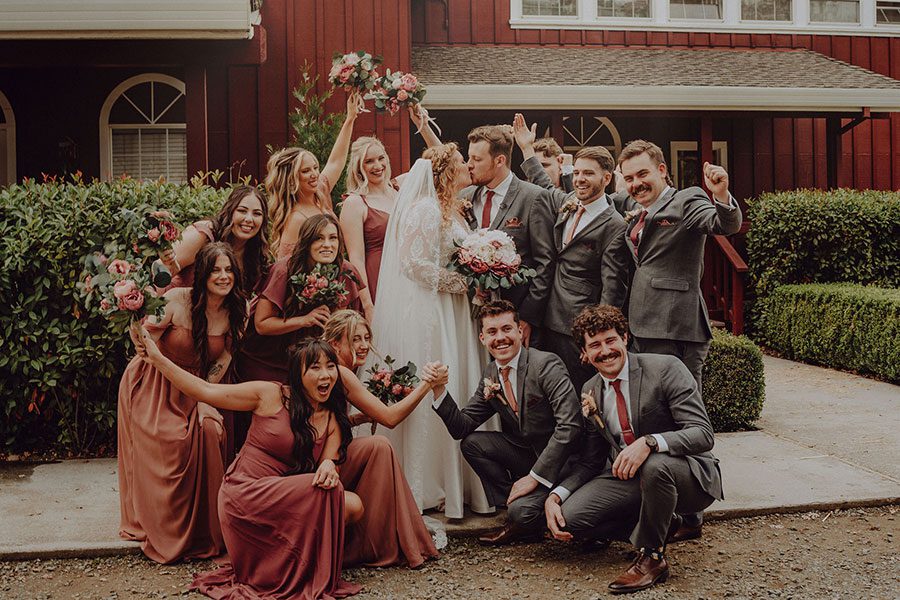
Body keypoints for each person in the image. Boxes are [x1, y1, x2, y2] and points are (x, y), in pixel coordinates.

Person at [134, 330, 362, 599]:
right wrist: (158, 359)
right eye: (315, 368)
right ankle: (287, 567)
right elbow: (205, 390)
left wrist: (327, 466)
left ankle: (296, 564)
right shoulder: (270, 395)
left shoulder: (331, 419)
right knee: (332, 496)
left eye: (330, 367)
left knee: (352, 505)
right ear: (297, 375)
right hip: (244, 493)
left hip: (281, 493)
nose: (325, 375)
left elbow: (329, 461)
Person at [543, 304, 722, 594]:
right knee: (571, 519)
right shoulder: (590, 390)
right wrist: (556, 495)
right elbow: (591, 461)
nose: (605, 351)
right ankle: (663, 521)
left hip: (687, 476)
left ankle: (652, 557)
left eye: (611, 340)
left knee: (655, 464)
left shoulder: (665, 368)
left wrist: (650, 442)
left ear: (625, 338)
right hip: (634, 480)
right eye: (595, 345)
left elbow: (703, 434)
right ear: (585, 354)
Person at [368, 143, 493, 518]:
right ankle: (427, 484)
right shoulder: (423, 210)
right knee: (439, 378)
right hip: (433, 310)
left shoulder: (453, 210)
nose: (467, 166)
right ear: (444, 171)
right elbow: (413, 264)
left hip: (455, 310)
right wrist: (463, 283)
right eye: (460, 162)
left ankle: (462, 482)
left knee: (460, 381)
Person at [118, 242, 247, 563]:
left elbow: (224, 360)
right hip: (153, 381)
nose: (223, 276)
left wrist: (205, 397)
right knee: (173, 437)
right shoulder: (177, 300)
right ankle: (162, 523)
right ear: (203, 273)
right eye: (216, 269)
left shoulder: (235, 310)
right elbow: (146, 347)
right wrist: (139, 331)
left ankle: (208, 528)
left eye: (228, 270)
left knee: (210, 429)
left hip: (196, 386)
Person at [429, 300, 582, 545]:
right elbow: (462, 427)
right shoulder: (491, 374)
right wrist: (438, 388)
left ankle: (528, 512)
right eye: (492, 332)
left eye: (506, 329)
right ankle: (517, 511)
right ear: (482, 338)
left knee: (525, 510)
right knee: (472, 444)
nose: (500, 338)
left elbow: (570, 426)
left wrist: (535, 476)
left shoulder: (546, 365)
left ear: (520, 331)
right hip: (527, 453)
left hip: (564, 462)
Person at [514, 114, 630, 391]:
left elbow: (613, 289)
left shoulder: (614, 226)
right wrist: (526, 149)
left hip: (576, 327)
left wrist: (595, 339)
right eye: (576, 172)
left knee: (579, 395)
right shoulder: (567, 201)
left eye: (588, 173)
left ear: (606, 178)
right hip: (546, 317)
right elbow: (543, 184)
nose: (579, 179)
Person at [321, 309, 443, 567]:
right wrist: (426, 385)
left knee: (378, 446)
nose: (364, 345)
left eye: (367, 338)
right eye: (355, 339)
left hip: (327, 448)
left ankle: (381, 537)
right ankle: (376, 541)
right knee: (380, 445)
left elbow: (327, 419)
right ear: (335, 343)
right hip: (322, 458)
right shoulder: (342, 373)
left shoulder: (332, 368)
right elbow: (390, 418)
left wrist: (358, 419)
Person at [237, 213, 372, 385]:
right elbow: (262, 324)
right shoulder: (284, 270)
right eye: (319, 239)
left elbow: (348, 326)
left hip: (316, 361)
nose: (328, 245)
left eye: (333, 238)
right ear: (307, 242)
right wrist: (304, 320)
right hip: (270, 358)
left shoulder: (346, 271)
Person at [462, 125, 557, 347]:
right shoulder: (464, 197)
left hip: (515, 318)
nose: (469, 165)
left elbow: (546, 263)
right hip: (468, 318)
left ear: (499, 161)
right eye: (469, 158)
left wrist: (526, 317)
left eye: (476, 159)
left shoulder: (533, 198)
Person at [267, 92, 359, 259]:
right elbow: (285, 267)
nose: (314, 174)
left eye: (315, 168)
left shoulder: (320, 191)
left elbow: (335, 162)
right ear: (292, 180)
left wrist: (350, 119)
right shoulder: (296, 219)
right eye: (305, 171)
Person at [158, 185, 270, 293]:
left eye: (257, 214)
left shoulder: (255, 255)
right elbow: (159, 267)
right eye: (242, 211)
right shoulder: (203, 234)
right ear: (230, 212)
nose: (249, 219)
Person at [339, 136, 396, 307]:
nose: (378, 166)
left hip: (406, 277)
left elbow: (439, 163)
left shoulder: (400, 188)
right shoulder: (354, 203)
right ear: (358, 167)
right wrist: (367, 304)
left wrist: (420, 122)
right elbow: (356, 259)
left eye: (381, 158)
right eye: (369, 161)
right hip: (377, 277)